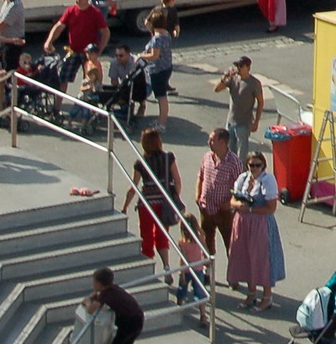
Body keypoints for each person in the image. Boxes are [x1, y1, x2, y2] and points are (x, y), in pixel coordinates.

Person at [228, 150, 284, 310]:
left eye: (258, 165)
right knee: (245, 256)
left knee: (262, 259)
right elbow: (232, 199)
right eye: (251, 165)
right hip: (242, 222)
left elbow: (271, 208)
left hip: (260, 223)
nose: (254, 168)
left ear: (263, 165)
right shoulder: (243, 178)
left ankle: (267, 297)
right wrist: (239, 205)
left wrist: (251, 209)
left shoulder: (267, 180)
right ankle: (251, 294)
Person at [122, 126, 183, 274]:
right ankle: (166, 266)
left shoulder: (140, 163)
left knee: (147, 235)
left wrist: (125, 206)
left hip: (147, 205)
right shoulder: (168, 158)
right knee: (162, 235)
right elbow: (177, 181)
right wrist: (174, 199)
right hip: (164, 203)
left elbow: (133, 187)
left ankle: (149, 269)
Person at [41, 0, 110, 88]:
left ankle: (86, 97)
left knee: (90, 79)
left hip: (88, 53)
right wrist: (49, 41)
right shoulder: (70, 11)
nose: (77, 1)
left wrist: (100, 49)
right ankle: (60, 98)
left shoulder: (95, 13)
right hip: (73, 50)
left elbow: (105, 32)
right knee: (63, 76)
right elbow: (59, 27)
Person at [194, 128, 240, 256]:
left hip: (224, 212)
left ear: (222, 143)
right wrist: (197, 195)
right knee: (206, 243)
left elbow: (239, 188)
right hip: (206, 208)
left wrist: (229, 203)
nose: (208, 142)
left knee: (231, 244)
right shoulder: (207, 157)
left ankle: (234, 267)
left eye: (212, 140)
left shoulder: (234, 162)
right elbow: (200, 176)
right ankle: (208, 267)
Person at [214, 57, 264, 162]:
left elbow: (260, 102)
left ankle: (242, 171)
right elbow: (216, 89)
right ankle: (232, 170)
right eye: (237, 66)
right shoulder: (233, 79)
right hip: (231, 122)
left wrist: (256, 122)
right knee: (230, 151)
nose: (238, 68)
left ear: (248, 67)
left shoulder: (254, 83)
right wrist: (224, 78)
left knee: (242, 154)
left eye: (241, 66)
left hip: (243, 123)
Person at [83, 267, 145, 344]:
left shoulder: (106, 295)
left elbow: (90, 310)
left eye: (94, 282)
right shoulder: (113, 289)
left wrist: (87, 302)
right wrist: (95, 295)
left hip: (130, 323)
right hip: (137, 319)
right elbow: (98, 297)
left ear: (99, 283)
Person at [136, 10, 173, 129]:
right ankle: (161, 120)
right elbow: (148, 25)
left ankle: (161, 123)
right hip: (166, 67)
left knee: (161, 97)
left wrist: (141, 56)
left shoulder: (157, 39)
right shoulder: (165, 34)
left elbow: (154, 56)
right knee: (161, 95)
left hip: (158, 70)